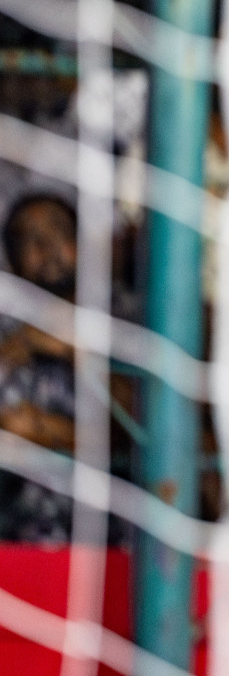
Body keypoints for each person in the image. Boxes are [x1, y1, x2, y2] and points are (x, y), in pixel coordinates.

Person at [0, 194, 80, 543]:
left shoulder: (130, 318)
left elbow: (154, 432)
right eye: (29, 239)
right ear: (13, 262)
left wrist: (70, 348)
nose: (46, 247)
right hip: (19, 539)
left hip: (121, 546)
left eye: (59, 232)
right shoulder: (7, 331)